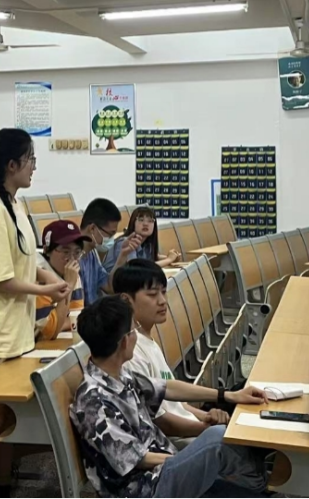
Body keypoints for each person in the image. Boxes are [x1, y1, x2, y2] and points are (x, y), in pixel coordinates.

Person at [0, 128, 69, 499]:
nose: (34, 167)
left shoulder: (14, 204)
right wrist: (45, 290)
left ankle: (2, 485)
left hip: (14, 331)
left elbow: (25, 258)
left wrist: (49, 278)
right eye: (30, 159)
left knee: (6, 417)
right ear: (11, 164)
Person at [71, 296, 271, 499]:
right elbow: (138, 460)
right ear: (124, 341)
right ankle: (259, 481)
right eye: (134, 330)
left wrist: (227, 395)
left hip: (163, 470)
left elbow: (167, 388)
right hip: (146, 489)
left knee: (222, 442)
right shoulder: (94, 402)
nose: (137, 335)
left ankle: (257, 483)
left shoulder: (118, 374)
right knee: (216, 439)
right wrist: (189, 459)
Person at [115, 260, 232, 446]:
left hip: (192, 432)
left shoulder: (147, 339)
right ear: (126, 300)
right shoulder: (131, 353)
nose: (162, 301)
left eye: (163, 292)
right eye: (152, 294)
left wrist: (207, 417)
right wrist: (209, 428)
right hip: (177, 445)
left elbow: (176, 405)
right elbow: (161, 423)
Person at [35, 220, 86, 340]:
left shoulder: (71, 273)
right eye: (65, 251)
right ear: (47, 250)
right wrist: (69, 285)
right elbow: (50, 332)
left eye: (77, 252)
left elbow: (77, 318)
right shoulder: (38, 277)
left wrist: (60, 323)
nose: (72, 259)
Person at [78, 198, 130, 303]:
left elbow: (109, 287)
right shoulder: (71, 257)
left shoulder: (92, 253)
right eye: (110, 234)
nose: (111, 239)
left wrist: (123, 255)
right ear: (92, 228)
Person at [110, 206, 180, 273]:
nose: (145, 224)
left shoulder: (146, 244)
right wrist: (169, 259)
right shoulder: (126, 242)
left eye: (150, 221)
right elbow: (138, 269)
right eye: (141, 220)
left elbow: (149, 259)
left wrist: (172, 257)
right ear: (133, 223)